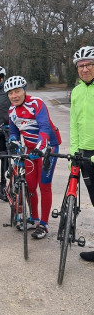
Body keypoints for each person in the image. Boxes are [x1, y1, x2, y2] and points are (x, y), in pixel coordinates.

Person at [4, 75, 62, 239]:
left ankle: (43, 224)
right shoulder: (11, 111)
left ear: (24, 90)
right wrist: (13, 141)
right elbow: (14, 131)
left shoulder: (36, 103)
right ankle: (34, 218)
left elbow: (44, 127)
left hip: (49, 147)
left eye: (17, 91)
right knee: (30, 186)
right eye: (10, 93)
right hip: (30, 149)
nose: (14, 96)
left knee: (44, 185)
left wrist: (40, 147)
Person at [70, 46, 94, 262]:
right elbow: (74, 124)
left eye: (89, 65)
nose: (85, 69)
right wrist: (74, 152)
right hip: (84, 153)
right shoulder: (76, 92)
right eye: (81, 66)